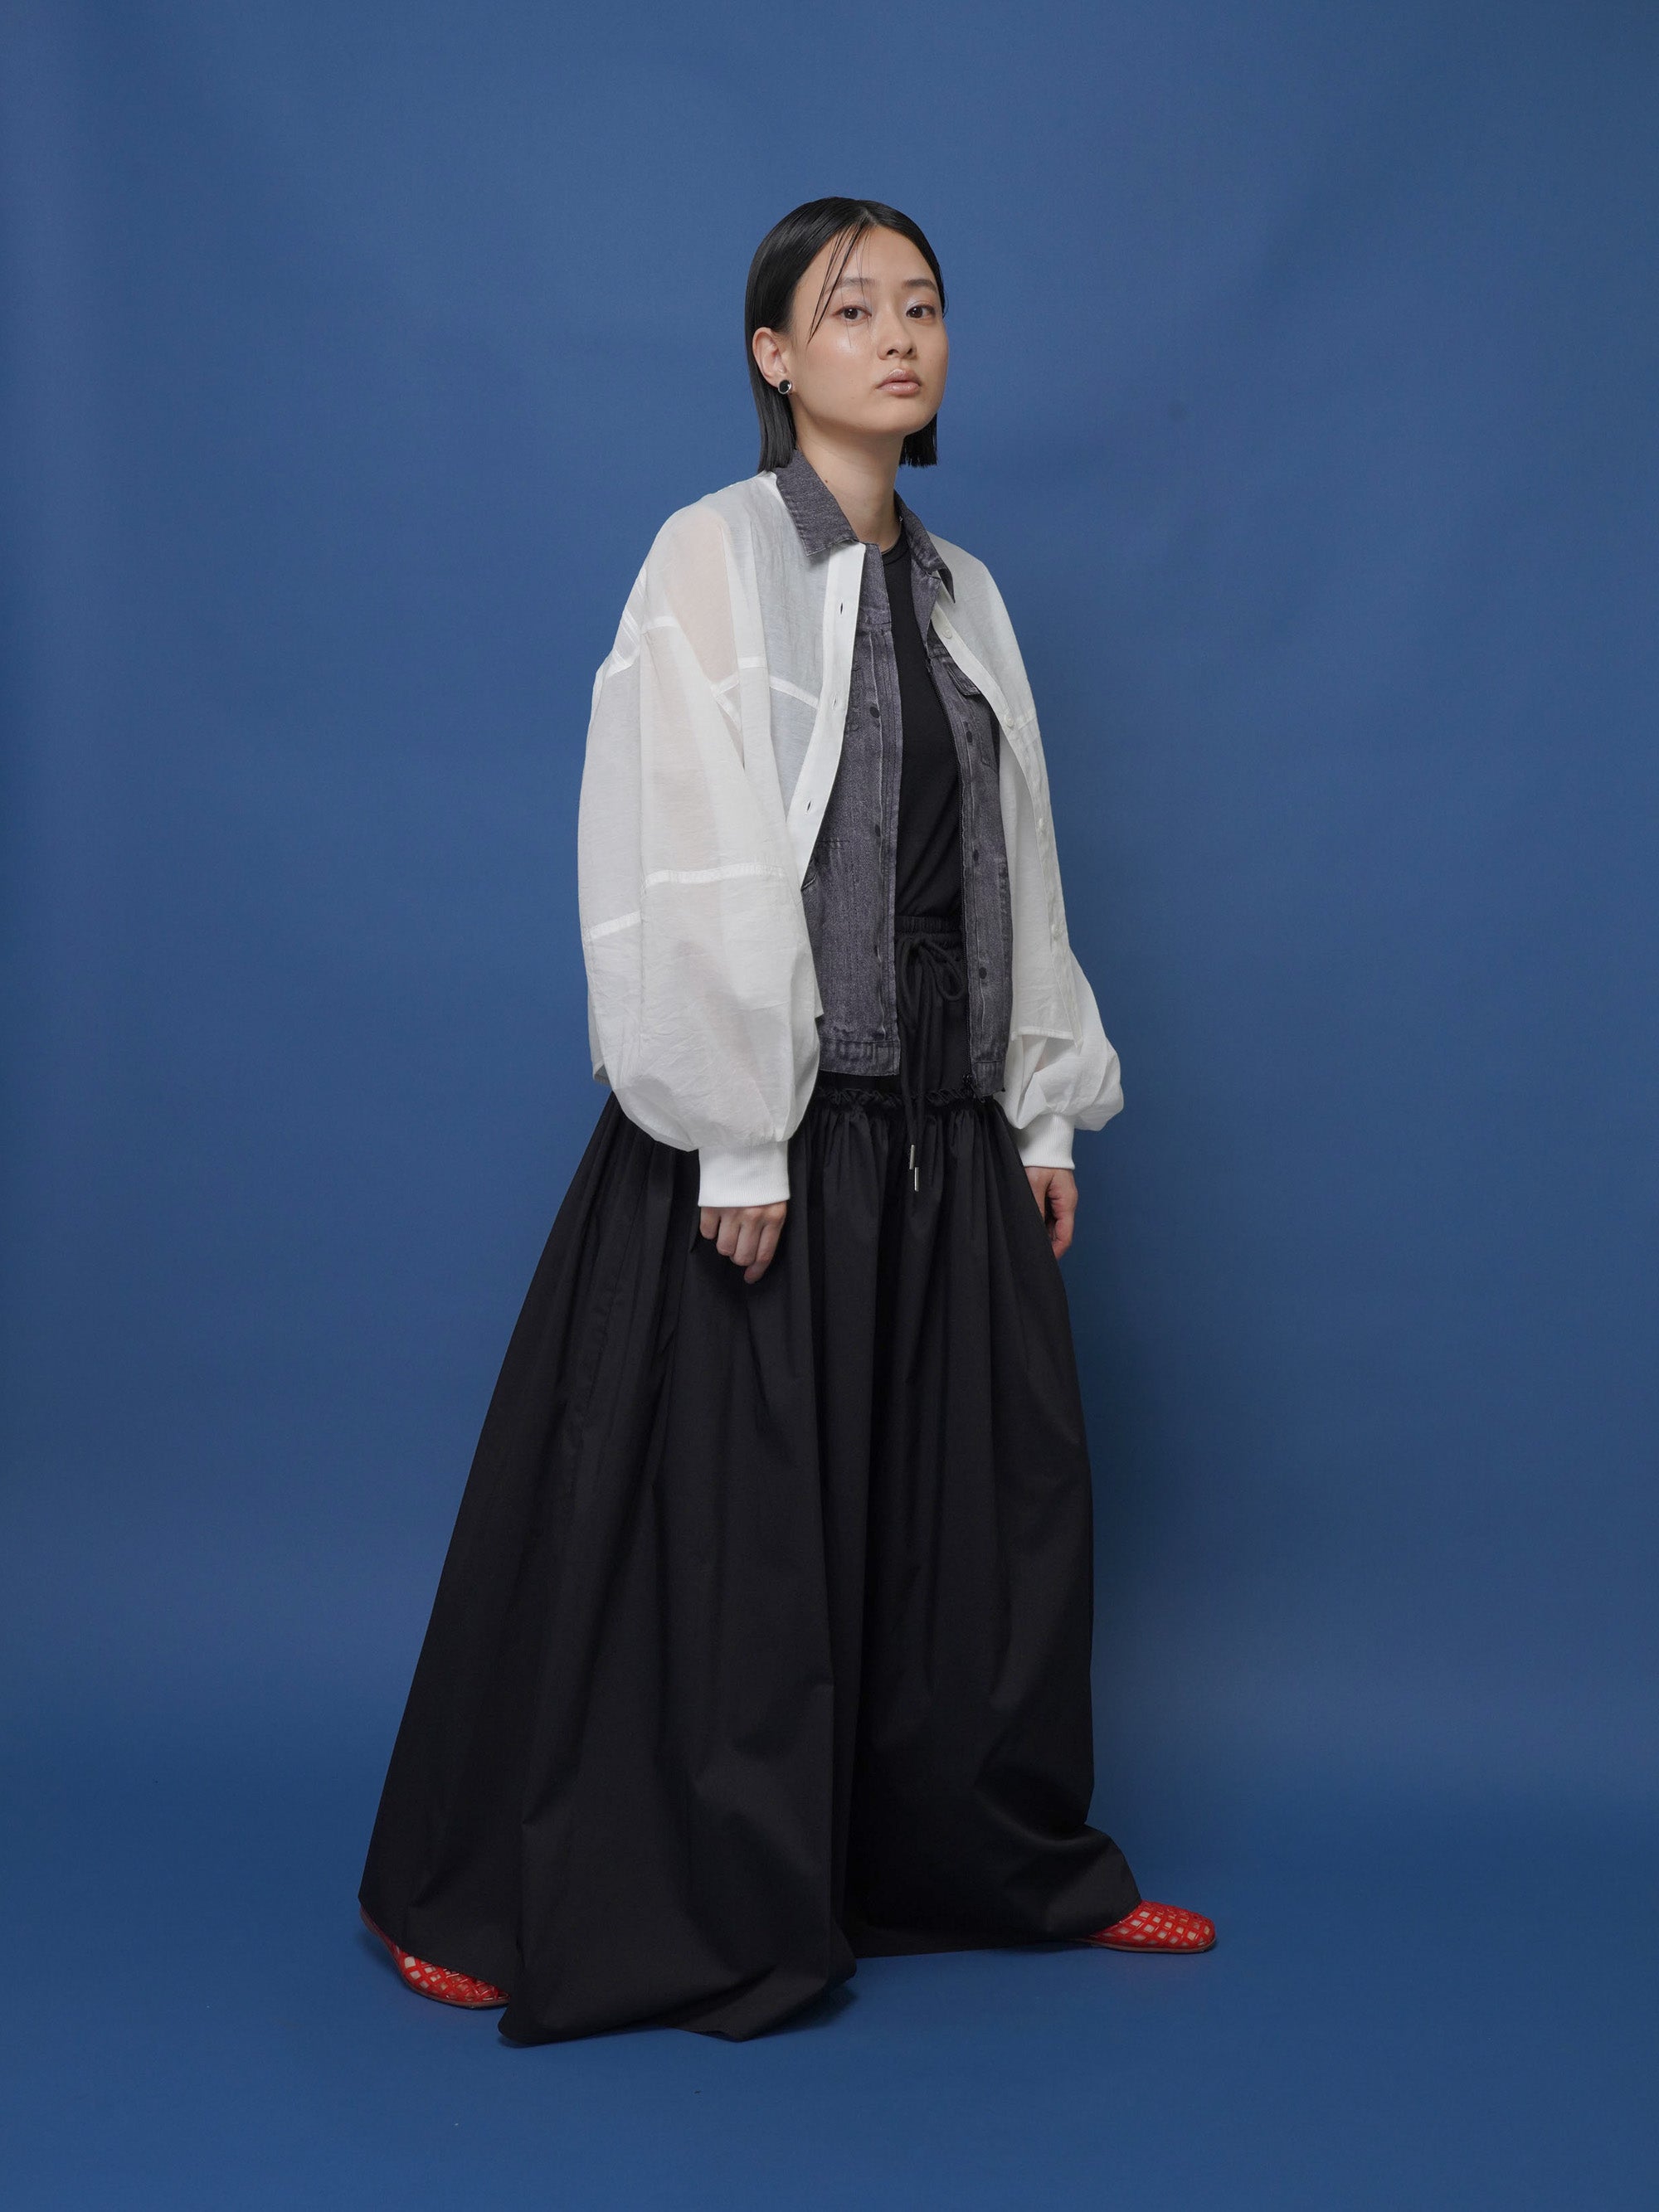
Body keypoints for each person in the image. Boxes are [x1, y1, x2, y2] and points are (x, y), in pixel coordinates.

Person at [357, 197, 1214, 2045]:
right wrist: (736, 1126)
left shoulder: (965, 590)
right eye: (850, 310)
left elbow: (1018, 856)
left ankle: (986, 1869)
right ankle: (523, 1895)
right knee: (726, 1546)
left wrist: (1044, 1109)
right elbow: (679, 839)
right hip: (777, 1125)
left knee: (968, 1530)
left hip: (945, 1127)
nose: (897, 337)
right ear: (773, 355)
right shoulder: (713, 555)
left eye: (922, 306)